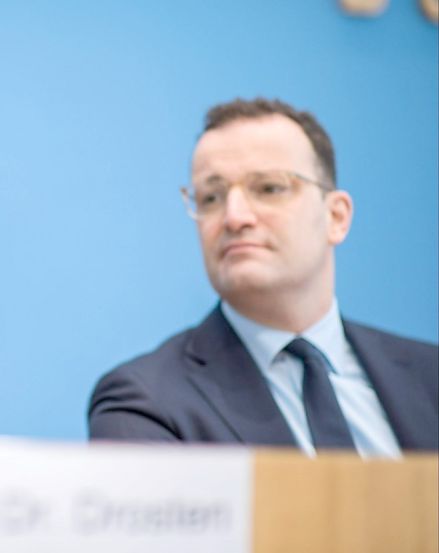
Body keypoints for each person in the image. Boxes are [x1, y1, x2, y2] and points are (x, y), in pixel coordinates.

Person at [89, 98, 437, 457]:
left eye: (269, 188)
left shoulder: (430, 375)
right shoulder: (145, 402)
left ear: (336, 217)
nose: (234, 217)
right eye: (211, 196)